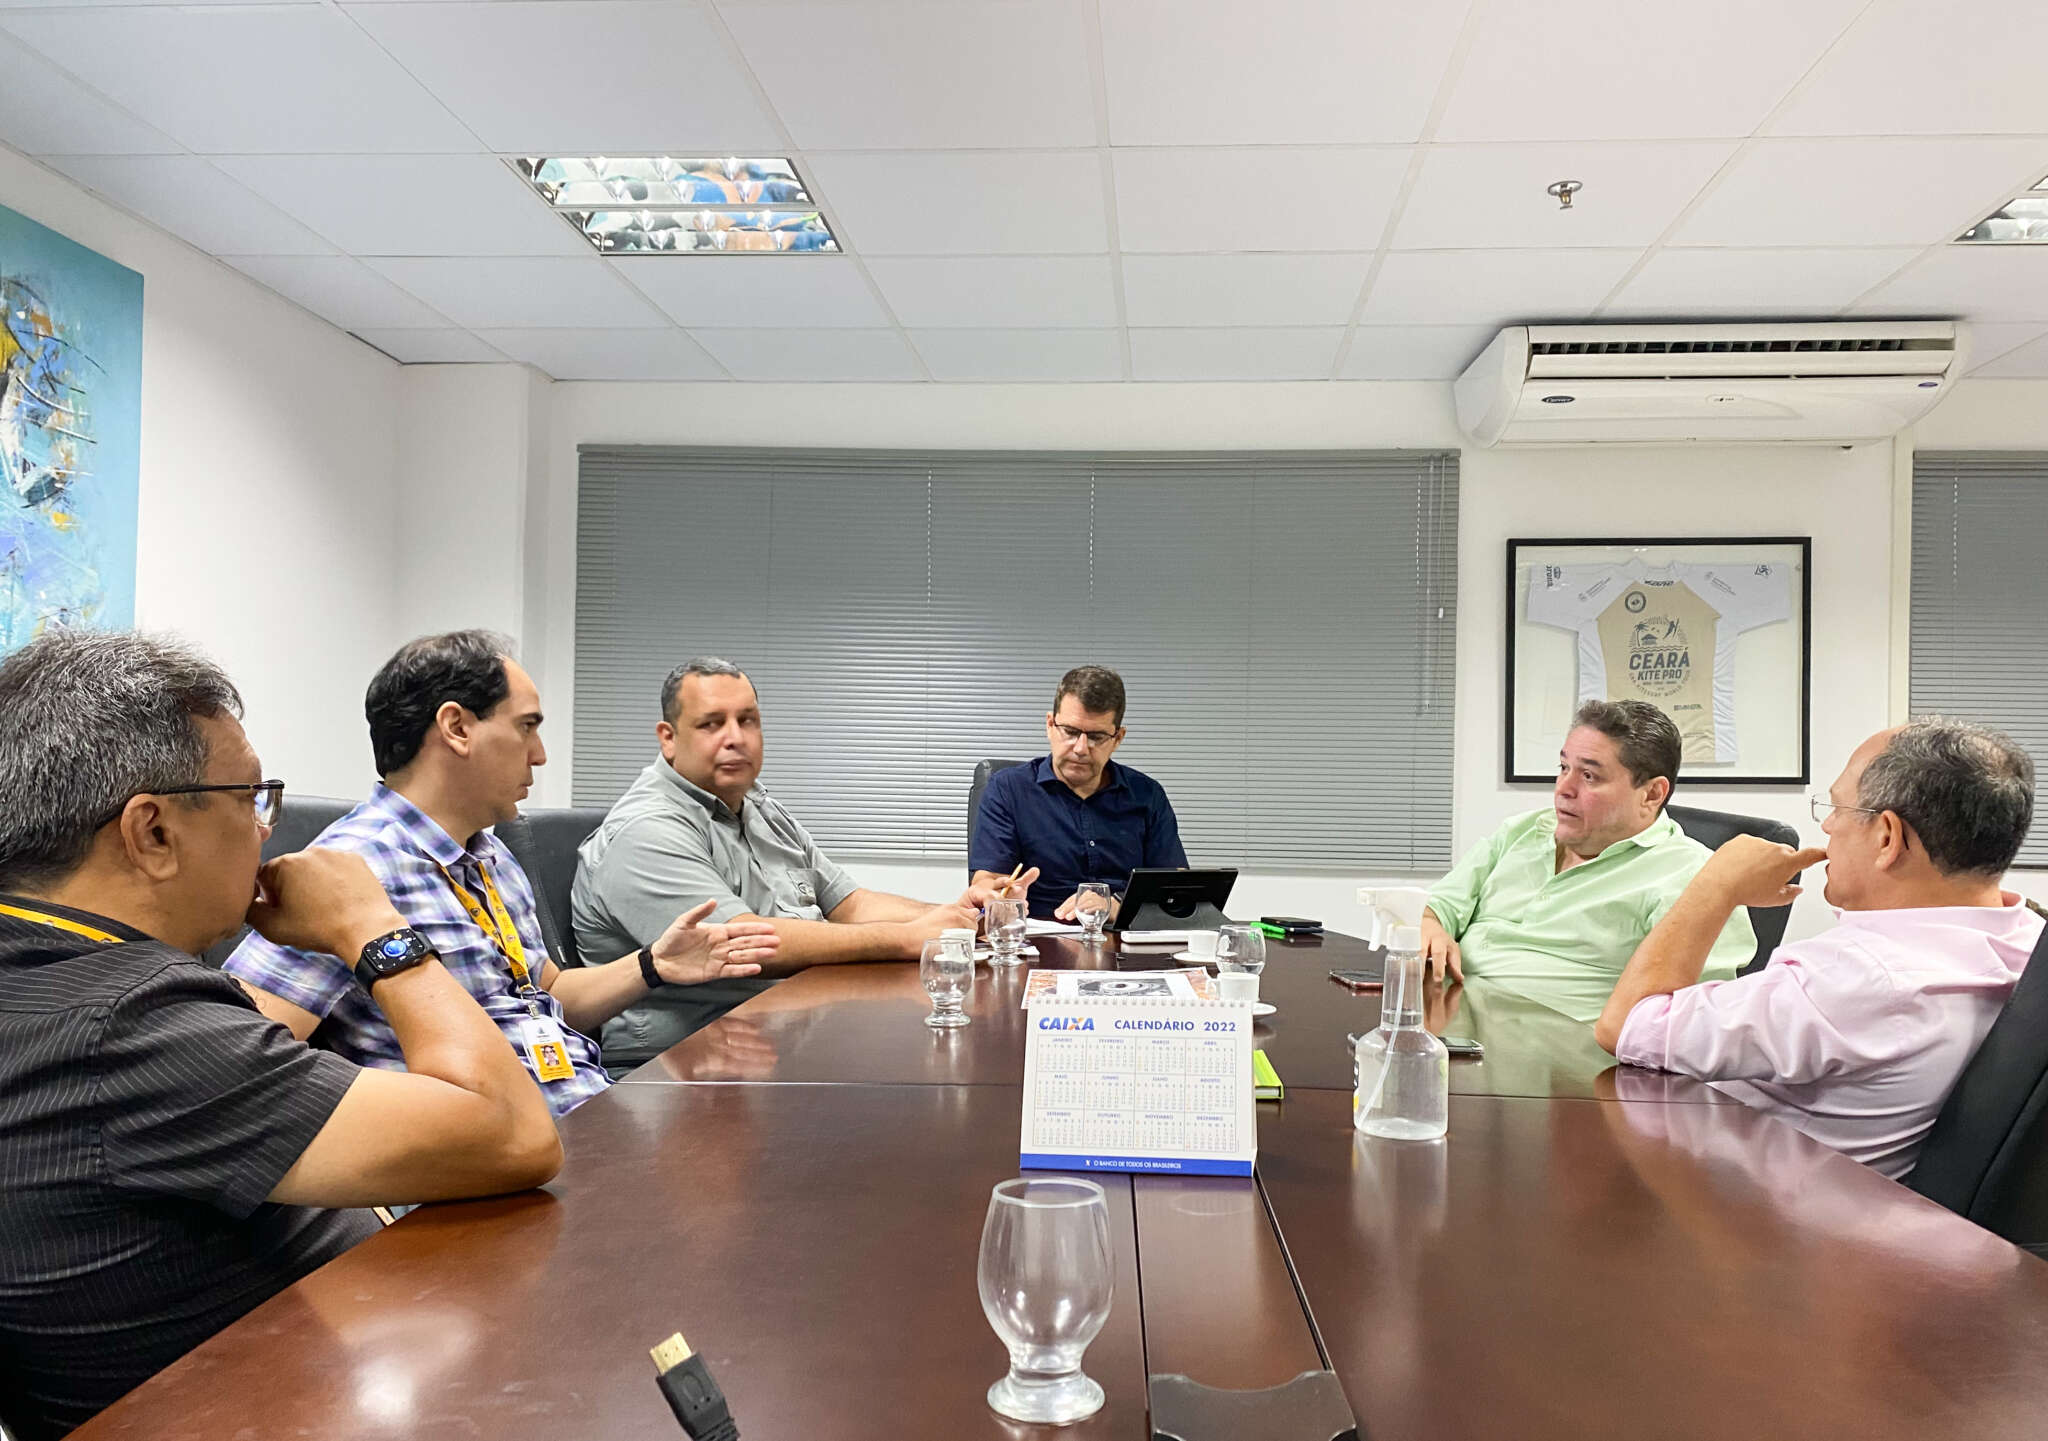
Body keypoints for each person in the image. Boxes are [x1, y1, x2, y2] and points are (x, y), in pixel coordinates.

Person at [0, 631, 561, 1441]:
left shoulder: (56, 976)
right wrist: (369, 925)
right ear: (152, 833)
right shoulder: (131, 1026)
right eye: (250, 797)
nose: (266, 829)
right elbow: (514, 1131)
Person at [227, 632, 778, 1114]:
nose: (539, 755)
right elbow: (244, 1064)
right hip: (494, 1173)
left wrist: (652, 965)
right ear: (456, 728)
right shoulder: (352, 868)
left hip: (586, 1123)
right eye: (526, 727)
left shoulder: (488, 854)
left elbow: (546, 991)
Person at [1596, 720, 2041, 1180]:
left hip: (1747, 1207)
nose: (1827, 824)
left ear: (1887, 837)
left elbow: (1625, 1026)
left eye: (1838, 807)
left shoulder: (1853, 978)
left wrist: (1716, 883)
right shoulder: (2029, 942)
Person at [572, 656, 1025, 1069]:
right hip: (688, 1064)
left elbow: (849, 903)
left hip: (788, 1036)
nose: (735, 738)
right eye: (711, 724)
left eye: (747, 720)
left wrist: (954, 914)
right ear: (668, 738)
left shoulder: (757, 806)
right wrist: (910, 938)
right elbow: (745, 942)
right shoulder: (647, 829)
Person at [1421, 699, 1755, 1021]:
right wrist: (1431, 926)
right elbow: (1438, 906)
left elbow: (1692, 1019)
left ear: (1652, 794)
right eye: (1564, 768)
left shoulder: (1697, 879)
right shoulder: (1522, 831)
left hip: (1560, 1050)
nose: (1563, 788)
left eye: (1589, 776)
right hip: (1450, 1020)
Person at [968, 664, 1187, 921]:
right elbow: (986, 882)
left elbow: (1176, 889)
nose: (1081, 748)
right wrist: (995, 895)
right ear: (1050, 725)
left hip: (1120, 934)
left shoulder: (1147, 795)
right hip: (1038, 933)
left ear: (1118, 738)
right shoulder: (1008, 790)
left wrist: (1114, 905)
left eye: (1096, 737)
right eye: (1070, 732)